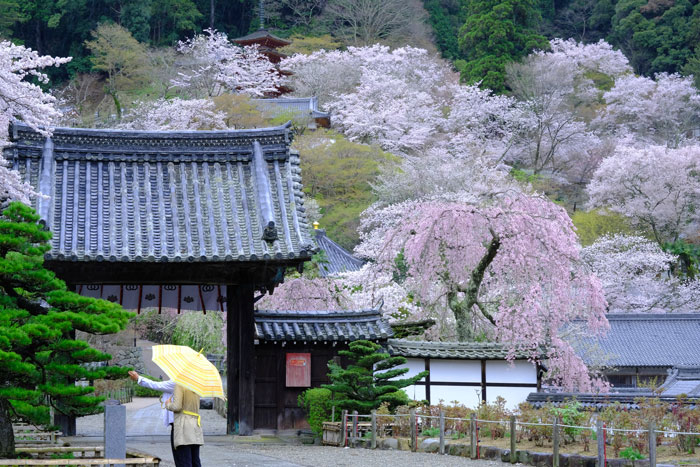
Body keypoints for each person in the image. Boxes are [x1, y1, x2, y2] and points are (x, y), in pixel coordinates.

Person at [128, 371, 178, 461]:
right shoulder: (191, 382)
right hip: (190, 424)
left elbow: (156, 385)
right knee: (193, 459)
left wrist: (139, 378)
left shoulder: (177, 382)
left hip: (178, 424)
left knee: (181, 458)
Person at [165, 384, 203, 467]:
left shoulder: (180, 385)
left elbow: (177, 406)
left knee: (183, 461)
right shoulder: (196, 385)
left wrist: (168, 404)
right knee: (195, 461)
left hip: (183, 427)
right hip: (195, 426)